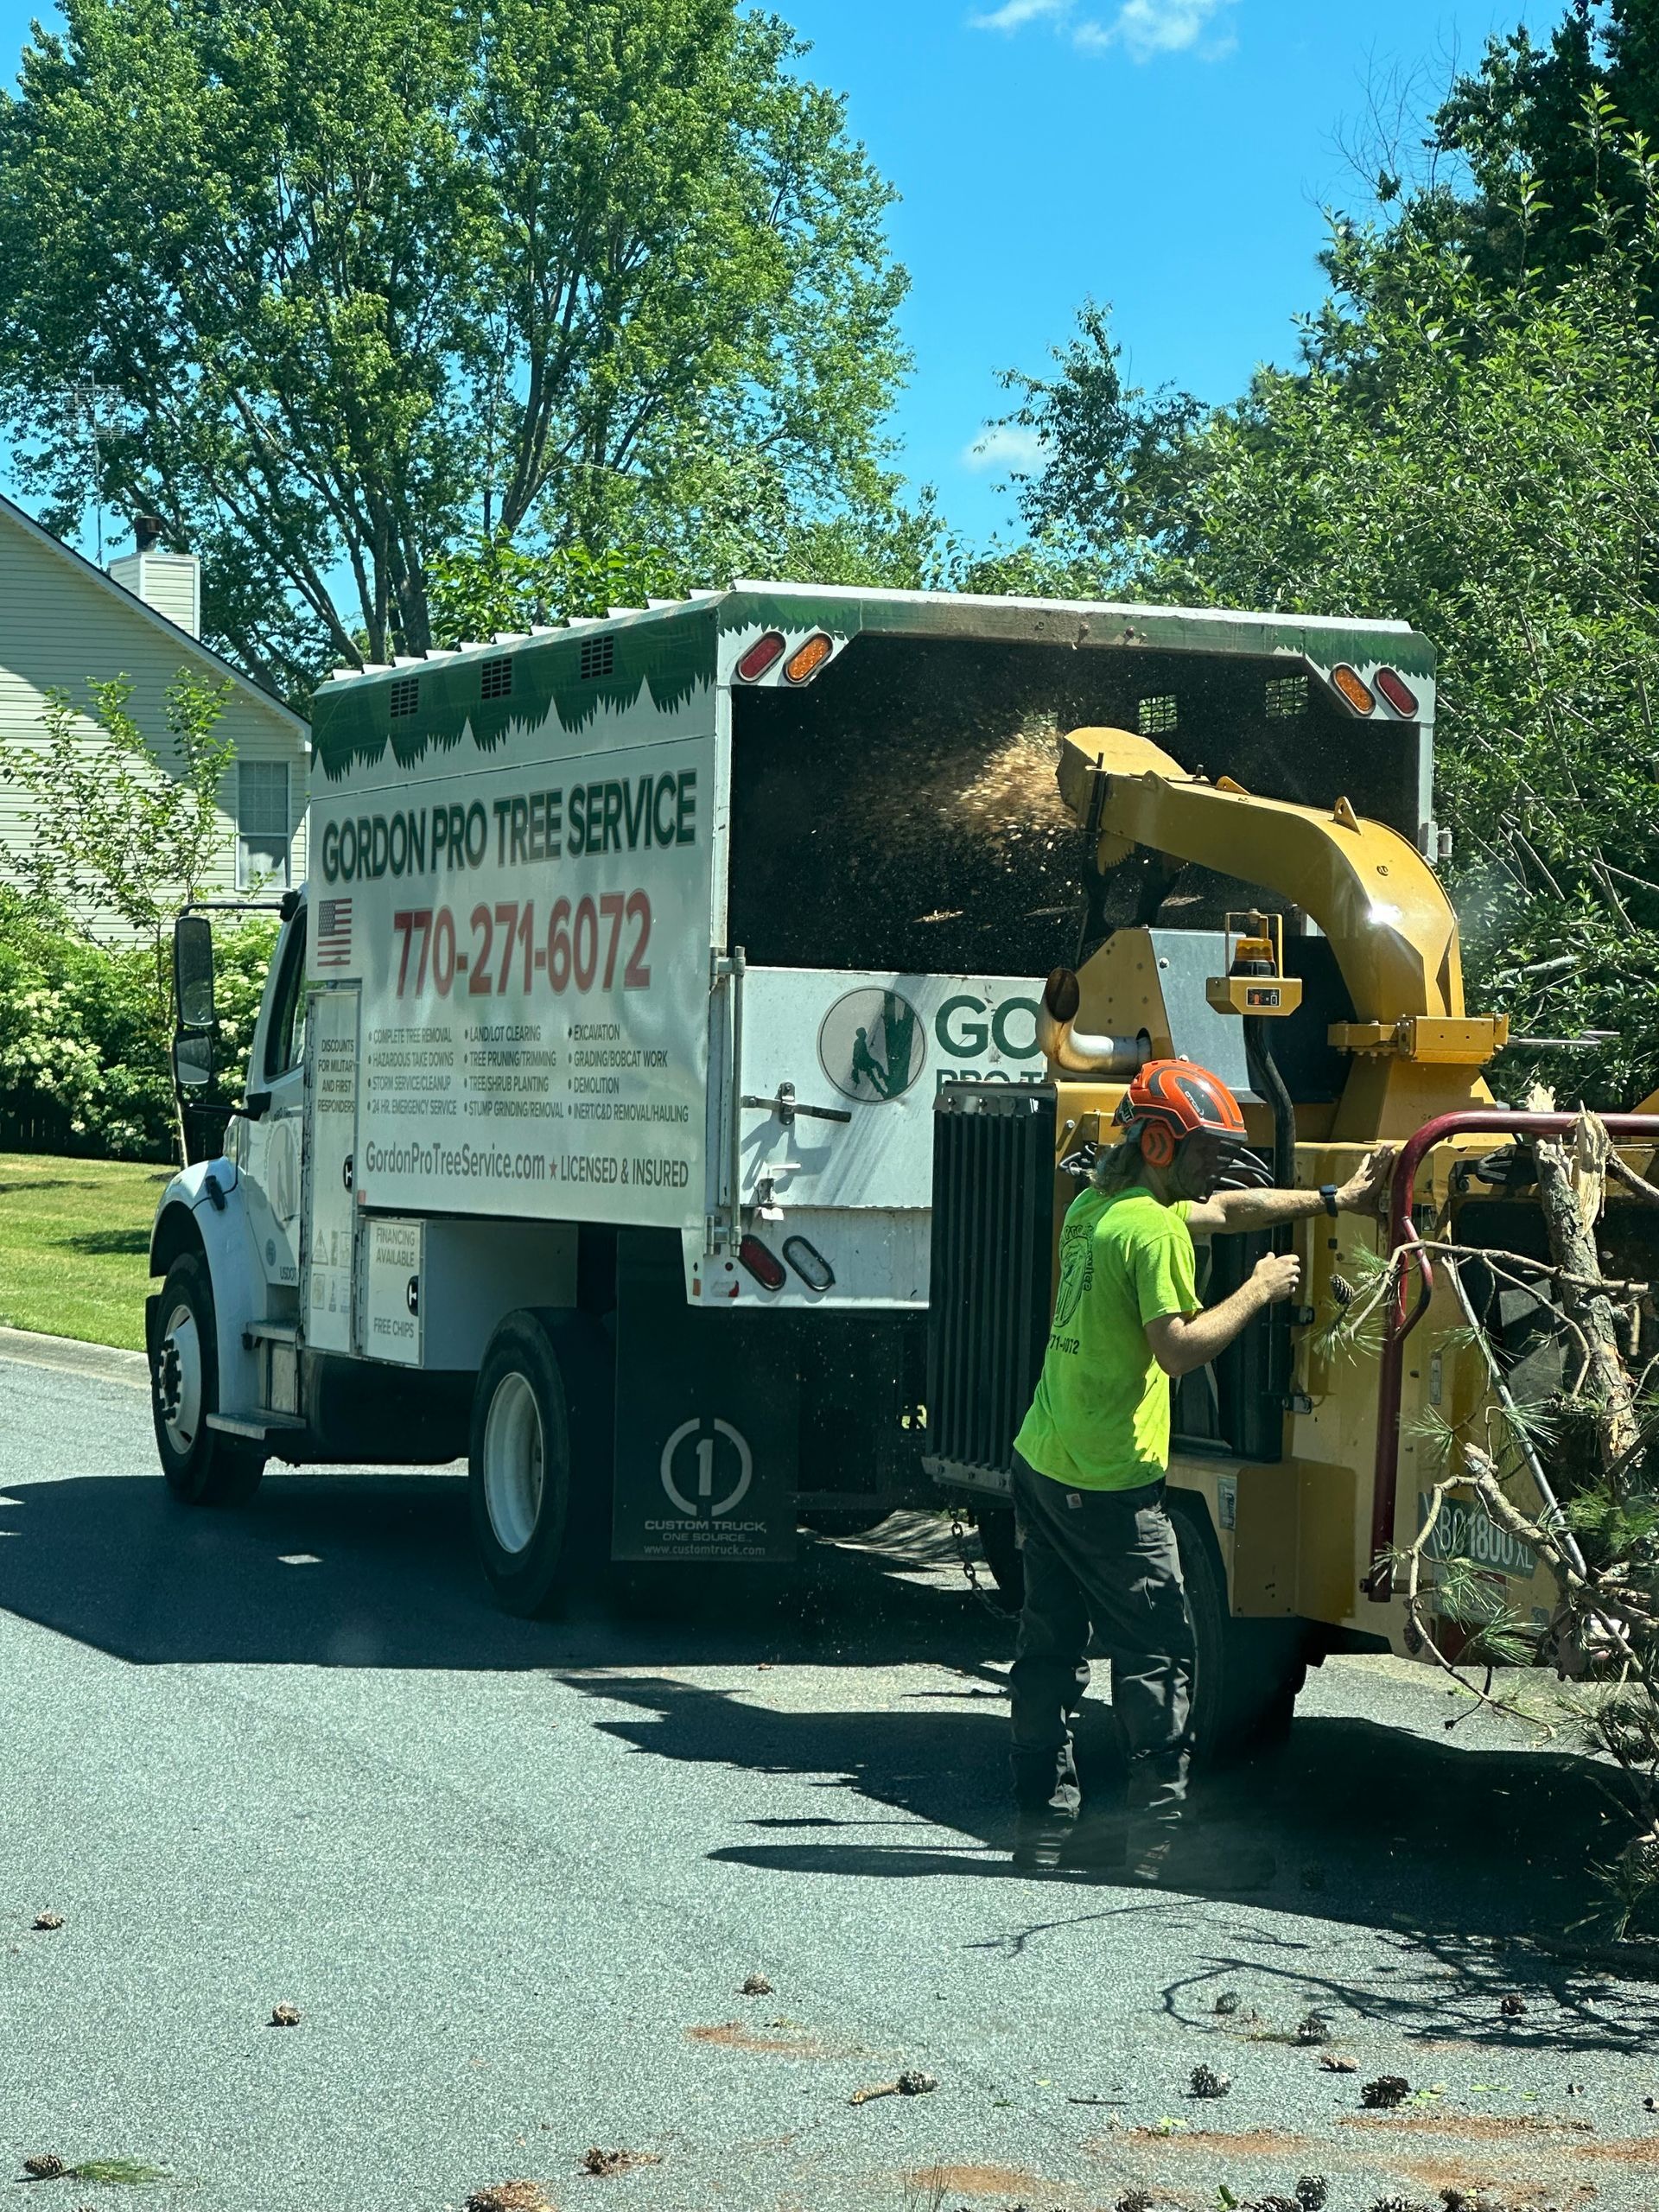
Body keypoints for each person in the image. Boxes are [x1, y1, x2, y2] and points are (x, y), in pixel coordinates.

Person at [1007, 1056, 1391, 1884]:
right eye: (1203, 1149)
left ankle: (1042, 1824)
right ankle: (1153, 1844)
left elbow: (1224, 1208)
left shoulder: (1097, 1205)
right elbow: (1178, 1350)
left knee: (1051, 1648)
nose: (1215, 1166)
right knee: (1158, 1650)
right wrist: (1259, 1289)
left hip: (1043, 1460)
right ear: (1155, 1141)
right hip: (1108, 1480)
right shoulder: (1151, 1231)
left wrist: (1333, 1201)